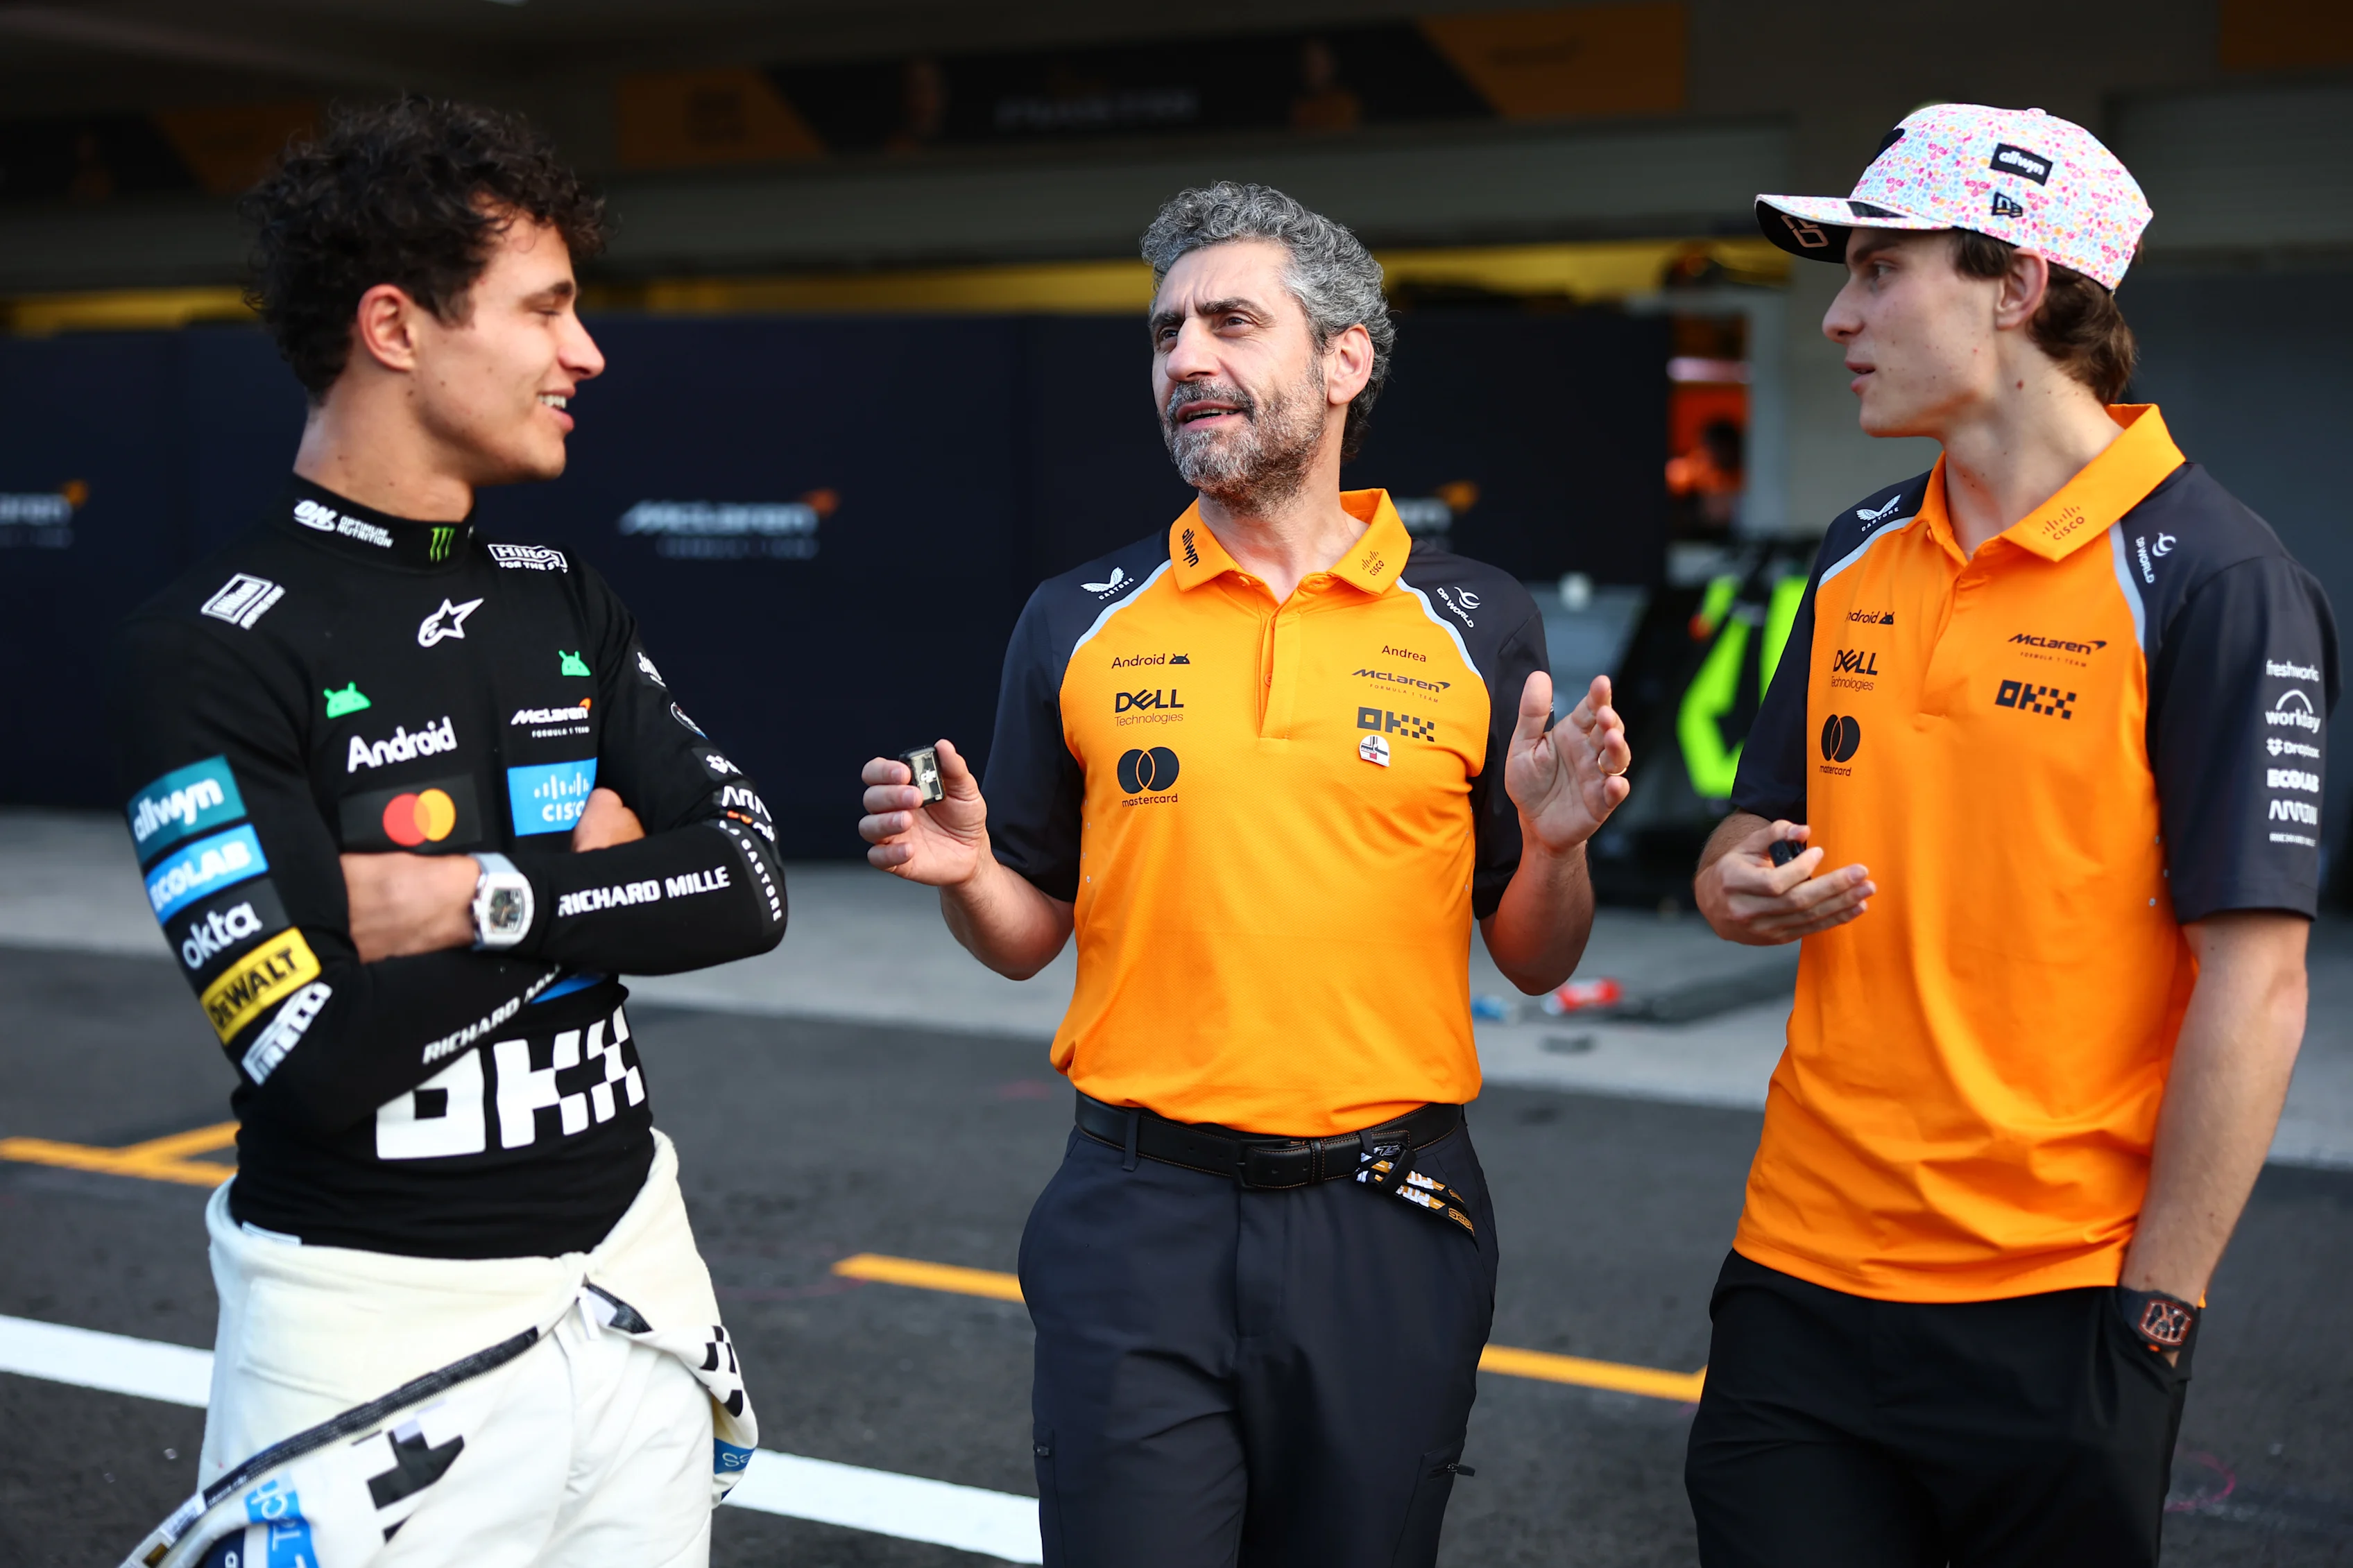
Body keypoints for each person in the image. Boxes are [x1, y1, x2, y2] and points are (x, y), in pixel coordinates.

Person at [858, 181, 1631, 1567]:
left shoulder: (1475, 615)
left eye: (1229, 321)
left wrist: (1558, 843)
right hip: (1132, 1211)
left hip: (1388, 1219)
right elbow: (1027, 934)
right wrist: (970, 872)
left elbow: (1534, 954)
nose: (1184, 360)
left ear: (1346, 360)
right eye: (1164, 333)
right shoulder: (1076, 618)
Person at [105, 98, 787, 1565]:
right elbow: (311, 1051)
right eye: (546, 308)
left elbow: (744, 886)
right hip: (364, 1336)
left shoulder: (562, 592)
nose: (585, 352)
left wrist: (475, 892)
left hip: (636, 1297)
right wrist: (595, 872)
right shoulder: (206, 646)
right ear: (397, 327)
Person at [1686, 103, 2336, 1566]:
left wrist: (2155, 1311)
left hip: (2059, 1303)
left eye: (1876, 269)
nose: (1839, 315)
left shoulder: (2215, 577)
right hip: (1796, 1271)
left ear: (2016, 281)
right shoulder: (1854, 553)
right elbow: (1753, 822)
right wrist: (1733, 879)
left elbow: (2258, 980)